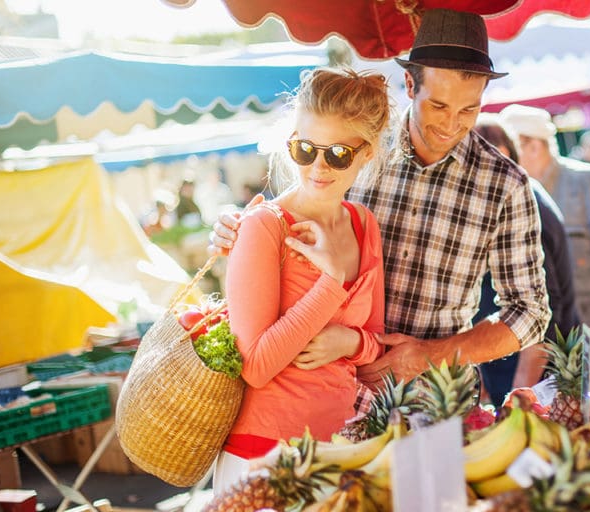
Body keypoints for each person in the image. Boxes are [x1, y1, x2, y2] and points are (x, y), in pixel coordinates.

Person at [211, 9, 550, 388]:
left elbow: (530, 313)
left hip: (435, 397)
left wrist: (430, 355)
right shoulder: (356, 148)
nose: (452, 123)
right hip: (335, 388)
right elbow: (286, 216)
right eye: (438, 106)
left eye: (469, 109)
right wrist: (236, 230)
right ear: (409, 83)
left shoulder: (506, 184)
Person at [214, 68, 391, 493]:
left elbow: (375, 342)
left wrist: (350, 344)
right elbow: (255, 366)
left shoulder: (364, 224)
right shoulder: (264, 226)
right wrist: (330, 285)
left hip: (343, 452)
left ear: (366, 153)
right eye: (305, 148)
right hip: (267, 460)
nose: (317, 167)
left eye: (337, 155)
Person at [500, 104, 590, 360]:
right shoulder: (507, 195)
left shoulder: (589, 181)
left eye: (509, 146)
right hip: (534, 351)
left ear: (533, 146)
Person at [473, 119, 580, 405]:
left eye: (495, 157)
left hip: (539, 375)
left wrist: (520, 394)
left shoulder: (525, 203)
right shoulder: (502, 200)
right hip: (508, 367)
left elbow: (546, 307)